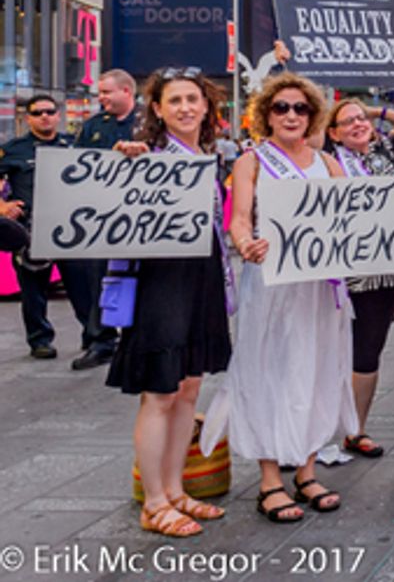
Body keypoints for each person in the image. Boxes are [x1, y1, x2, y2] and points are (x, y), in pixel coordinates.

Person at [204, 74, 394, 523]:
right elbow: (239, 219)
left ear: (312, 116)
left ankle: (308, 470)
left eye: (300, 109)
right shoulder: (252, 161)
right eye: (281, 108)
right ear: (266, 114)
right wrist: (245, 242)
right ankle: (271, 479)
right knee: (267, 373)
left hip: (320, 287)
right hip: (272, 283)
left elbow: (356, 219)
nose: (291, 115)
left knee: (317, 373)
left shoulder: (328, 163)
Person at [106, 68, 233, 537]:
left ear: (206, 107)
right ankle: (154, 501)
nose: (185, 107)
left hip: (202, 278)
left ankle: (178, 490)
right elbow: (110, 199)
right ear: (157, 109)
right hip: (161, 282)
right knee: (159, 393)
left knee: (188, 390)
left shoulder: (209, 156)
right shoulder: (146, 157)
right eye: (174, 100)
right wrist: (125, 160)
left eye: (192, 99)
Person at [324, 98, 394, 458]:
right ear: (333, 134)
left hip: (383, 269)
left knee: (368, 350)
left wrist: (376, 112)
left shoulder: (388, 151)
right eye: (348, 122)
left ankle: (356, 429)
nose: (357, 125)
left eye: (360, 119)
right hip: (336, 269)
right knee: (323, 348)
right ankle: (314, 430)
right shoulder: (326, 157)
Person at [0, 94, 96, 361]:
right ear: (28, 117)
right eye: (37, 112)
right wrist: (2, 206)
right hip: (30, 231)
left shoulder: (74, 146)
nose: (44, 116)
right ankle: (40, 340)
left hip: (71, 228)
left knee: (82, 287)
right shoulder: (13, 149)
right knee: (33, 292)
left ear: (57, 115)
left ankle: (93, 336)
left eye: (49, 111)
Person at [68, 68, 140, 370]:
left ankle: (137, 339)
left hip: (142, 216)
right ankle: (101, 339)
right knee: (98, 277)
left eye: (106, 92)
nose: (101, 98)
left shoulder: (151, 123)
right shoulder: (94, 126)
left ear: (126, 91)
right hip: (102, 216)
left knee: (142, 278)